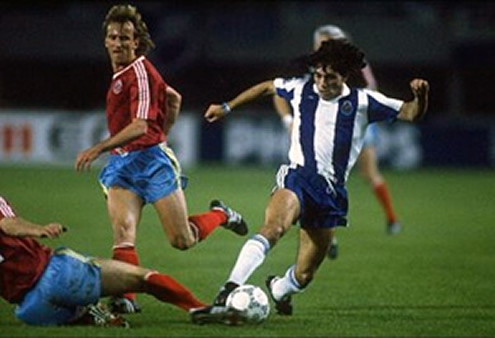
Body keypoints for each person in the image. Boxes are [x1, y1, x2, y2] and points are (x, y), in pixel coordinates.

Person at [190, 39, 429, 323]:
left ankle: (279, 289)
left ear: (345, 76)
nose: (322, 82)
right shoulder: (301, 89)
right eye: (318, 75)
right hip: (298, 177)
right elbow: (268, 86)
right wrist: (227, 107)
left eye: (330, 77)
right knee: (274, 228)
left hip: (330, 195)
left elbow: (411, 113)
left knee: (304, 275)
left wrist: (421, 96)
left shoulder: (365, 102)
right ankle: (227, 292)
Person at [74, 4, 247, 314]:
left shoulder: (139, 71)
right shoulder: (126, 73)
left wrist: (102, 147)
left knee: (182, 240)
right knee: (123, 233)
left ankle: (221, 215)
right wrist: (163, 130)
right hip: (121, 166)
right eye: (113, 37)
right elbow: (173, 98)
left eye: (125, 38)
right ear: (105, 41)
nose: (118, 43)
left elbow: (140, 125)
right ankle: (126, 298)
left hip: (151, 164)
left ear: (136, 42)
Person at [274, 25, 402, 261]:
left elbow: (370, 90)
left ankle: (392, 218)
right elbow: (276, 91)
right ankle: (327, 234)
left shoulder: (354, 66)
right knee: (310, 173)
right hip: (314, 124)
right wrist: (288, 120)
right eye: (323, 42)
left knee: (367, 172)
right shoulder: (302, 65)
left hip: (351, 119)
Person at [0, 195, 211, 327]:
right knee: (143, 279)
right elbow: (8, 224)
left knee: (64, 310)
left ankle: (86, 314)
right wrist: (38, 229)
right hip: (56, 275)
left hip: (30, 309)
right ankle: (200, 308)